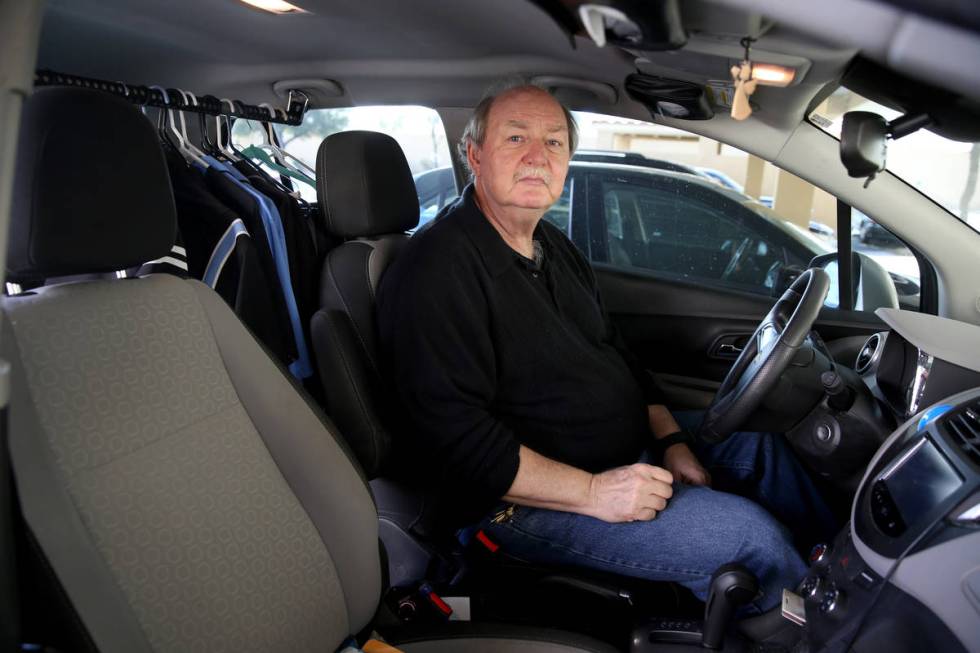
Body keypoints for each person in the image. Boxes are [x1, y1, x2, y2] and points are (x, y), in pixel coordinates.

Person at [377, 83, 835, 613]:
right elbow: (458, 446)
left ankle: (836, 577)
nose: (536, 156)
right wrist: (595, 493)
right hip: (519, 506)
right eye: (516, 138)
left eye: (553, 143)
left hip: (626, 458)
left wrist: (670, 441)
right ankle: (816, 631)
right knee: (748, 540)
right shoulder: (435, 272)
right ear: (474, 154)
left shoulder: (553, 246)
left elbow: (616, 351)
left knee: (765, 448)